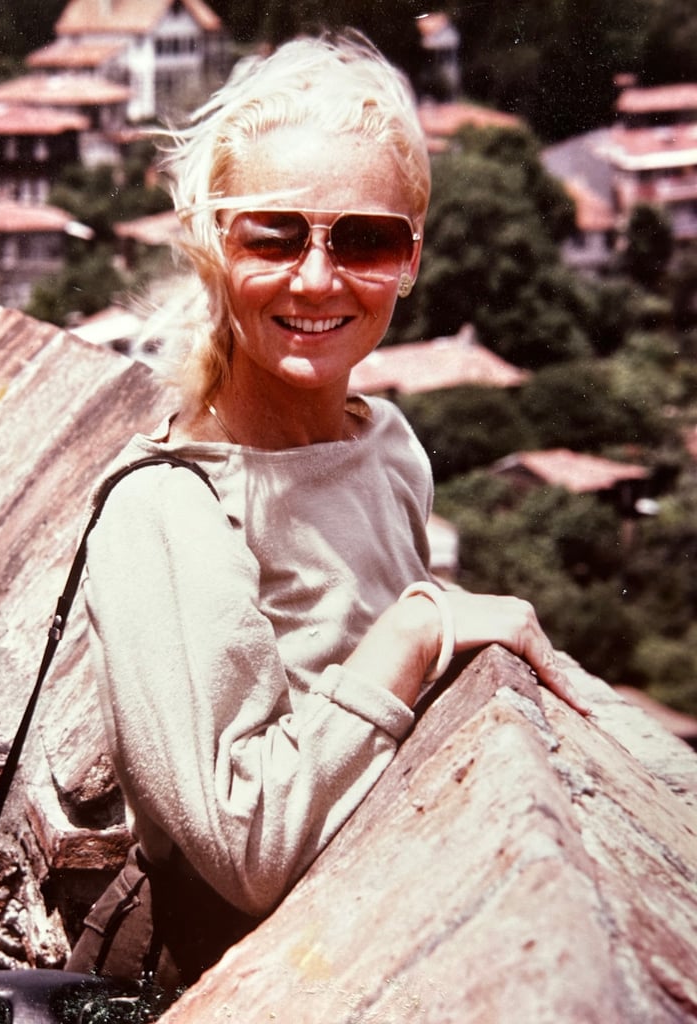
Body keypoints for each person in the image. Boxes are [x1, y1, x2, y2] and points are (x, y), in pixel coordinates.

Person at [67, 31, 589, 1001]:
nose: (317, 278)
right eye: (273, 233)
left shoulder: (385, 444)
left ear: (410, 260)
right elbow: (247, 845)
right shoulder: (167, 511)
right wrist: (421, 625)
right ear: (213, 244)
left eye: (364, 239)